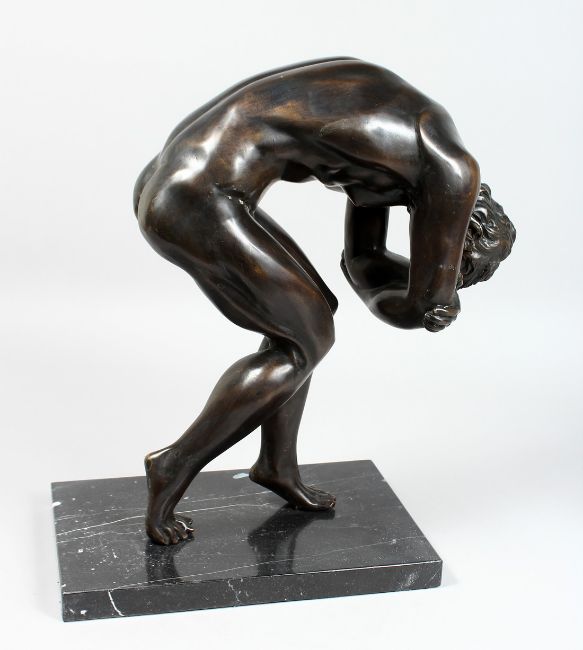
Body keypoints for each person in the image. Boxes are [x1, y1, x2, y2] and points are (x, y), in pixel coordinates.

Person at [133, 57, 515, 545]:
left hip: (177, 181)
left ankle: (277, 465)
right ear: (458, 234)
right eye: (459, 269)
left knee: (311, 323)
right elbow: (418, 302)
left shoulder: (415, 150)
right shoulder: (453, 174)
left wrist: (422, 299)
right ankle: (173, 464)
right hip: (195, 197)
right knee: (303, 342)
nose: (446, 270)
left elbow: (363, 264)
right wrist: (437, 302)